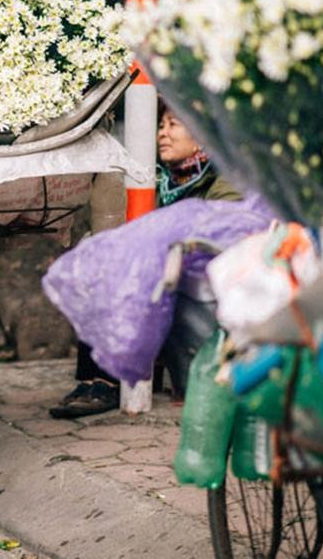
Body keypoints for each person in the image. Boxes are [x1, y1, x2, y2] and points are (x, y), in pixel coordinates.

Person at [49, 102, 241, 419]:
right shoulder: (154, 179)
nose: (162, 133)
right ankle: (96, 378)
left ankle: (107, 379)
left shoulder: (225, 181)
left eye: (174, 125)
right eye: (161, 126)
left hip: (200, 285)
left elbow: (218, 235)